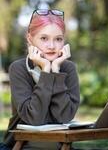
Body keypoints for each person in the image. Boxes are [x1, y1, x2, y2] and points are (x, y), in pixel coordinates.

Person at [3, 9, 80, 150]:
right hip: (23, 144)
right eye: (44, 38)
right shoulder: (18, 69)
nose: (51, 46)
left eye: (58, 39)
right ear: (30, 38)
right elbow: (35, 118)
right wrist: (46, 70)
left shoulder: (68, 68)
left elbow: (64, 116)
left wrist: (55, 70)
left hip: (60, 145)